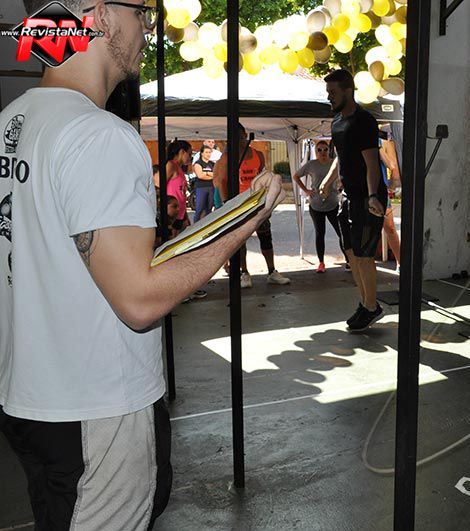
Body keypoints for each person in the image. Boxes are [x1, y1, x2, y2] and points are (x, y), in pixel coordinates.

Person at [0, 1, 275, 528]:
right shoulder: (98, 135)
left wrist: (234, 213)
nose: (147, 28)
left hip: (31, 400)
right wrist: (246, 226)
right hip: (98, 410)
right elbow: (139, 300)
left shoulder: (12, 121)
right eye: (141, 12)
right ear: (101, 15)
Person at [320, 69, 388, 332]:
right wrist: (328, 180)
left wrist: (373, 196)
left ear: (348, 92)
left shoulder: (364, 121)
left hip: (366, 198)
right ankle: (366, 303)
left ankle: (371, 307)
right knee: (350, 251)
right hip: (348, 196)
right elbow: (341, 156)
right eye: (328, 93)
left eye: (333, 93)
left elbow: (371, 162)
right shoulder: (337, 122)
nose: (329, 97)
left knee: (363, 254)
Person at [214, 123, 290, 287]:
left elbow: (264, 176)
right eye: (233, 136)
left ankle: (272, 271)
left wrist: (267, 201)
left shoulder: (258, 154)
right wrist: (227, 203)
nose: (237, 139)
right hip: (239, 204)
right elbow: (220, 181)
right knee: (241, 240)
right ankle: (244, 273)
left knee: (265, 236)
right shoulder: (227, 158)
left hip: (257, 202)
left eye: (239, 135)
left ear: (245, 134)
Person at [293, 140, 346, 273]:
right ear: (316, 152)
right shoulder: (312, 164)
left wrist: (341, 187)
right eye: (319, 150)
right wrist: (306, 190)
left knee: (341, 232)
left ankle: (349, 260)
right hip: (316, 204)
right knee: (320, 233)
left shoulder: (334, 163)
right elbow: (296, 176)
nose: (322, 152)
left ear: (329, 151)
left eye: (325, 149)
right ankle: (321, 263)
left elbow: (344, 175)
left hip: (332, 203)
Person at [379, 130, 401, 269]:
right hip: (362, 191)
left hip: (380, 191)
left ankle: (400, 261)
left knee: (389, 227)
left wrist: (379, 149)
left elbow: (392, 166)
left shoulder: (383, 143)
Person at [165, 139, 191, 232]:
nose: (190, 157)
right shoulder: (171, 165)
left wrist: (185, 216)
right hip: (172, 215)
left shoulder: (179, 168)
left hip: (180, 214)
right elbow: (159, 185)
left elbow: (182, 194)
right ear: (182, 152)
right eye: (189, 154)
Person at [193, 145, 216, 221]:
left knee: (209, 208)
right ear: (202, 153)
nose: (208, 154)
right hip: (201, 187)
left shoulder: (212, 164)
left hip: (211, 187)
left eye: (209, 152)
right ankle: (195, 225)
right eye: (206, 152)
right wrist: (210, 174)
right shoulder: (198, 163)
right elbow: (200, 175)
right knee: (199, 208)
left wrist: (206, 173)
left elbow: (215, 175)